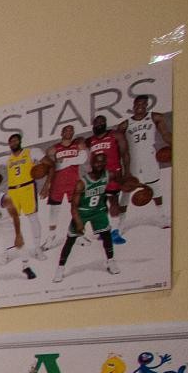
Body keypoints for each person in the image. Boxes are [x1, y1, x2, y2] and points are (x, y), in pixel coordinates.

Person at [52, 151, 121, 281]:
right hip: (82, 212)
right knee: (70, 240)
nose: (99, 164)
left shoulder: (109, 175)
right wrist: (78, 221)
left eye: (102, 161)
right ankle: (60, 268)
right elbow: (74, 206)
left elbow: (123, 181)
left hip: (98, 211)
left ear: (105, 163)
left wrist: (136, 185)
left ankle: (111, 261)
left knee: (106, 236)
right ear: (91, 163)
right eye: (96, 161)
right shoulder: (82, 182)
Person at [119, 92, 172, 227]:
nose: (140, 106)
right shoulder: (125, 124)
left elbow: (165, 135)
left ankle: (162, 216)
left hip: (149, 157)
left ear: (147, 105)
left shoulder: (155, 117)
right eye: (138, 104)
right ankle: (120, 223)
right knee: (126, 191)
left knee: (154, 187)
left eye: (143, 104)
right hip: (132, 161)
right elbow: (119, 147)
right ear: (133, 105)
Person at [87, 115, 128, 244]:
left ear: (105, 123)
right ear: (93, 126)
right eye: (96, 123)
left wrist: (127, 172)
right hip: (97, 175)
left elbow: (125, 153)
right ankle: (104, 229)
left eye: (102, 122)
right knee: (98, 204)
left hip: (113, 173)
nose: (99, 124)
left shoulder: (115, 135)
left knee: (113, 201)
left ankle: (115, 231)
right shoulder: (90, 140)